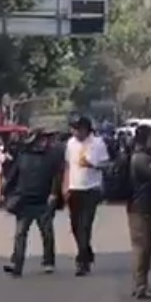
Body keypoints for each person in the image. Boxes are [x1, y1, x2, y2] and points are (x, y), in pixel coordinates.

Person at [2, 131, 61, 277]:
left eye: (45, 140)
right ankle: (17, 264)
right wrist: (6, 193)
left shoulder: (51, 157)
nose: (44, 142)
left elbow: (57, 177)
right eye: (41, 139)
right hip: (25, 201)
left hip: (42, 201)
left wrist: (54, 194)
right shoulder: (23, 158)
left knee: (46, 233)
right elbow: (12, 178)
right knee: (21, 235)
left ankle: (48, 261)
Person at [63, 117, 110, 276]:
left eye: (78, 129)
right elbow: (68, 166)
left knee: (85, 225)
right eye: (73, 129)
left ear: (86, 129)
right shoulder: (71, 143)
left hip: (91, 188)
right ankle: (86, 251)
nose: (75, 132)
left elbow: (106, 164)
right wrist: (65, 186)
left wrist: (93, 165)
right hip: (74, 187)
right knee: (75, 226)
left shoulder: (98, 143)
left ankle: (82, 262)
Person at [127, 125, 151, 299]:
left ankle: (142, 283)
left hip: (142, 205)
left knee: (143, 245)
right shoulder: (142, 159)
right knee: (142, 247)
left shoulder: (140, 157)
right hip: (142, 206)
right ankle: (141, 285)